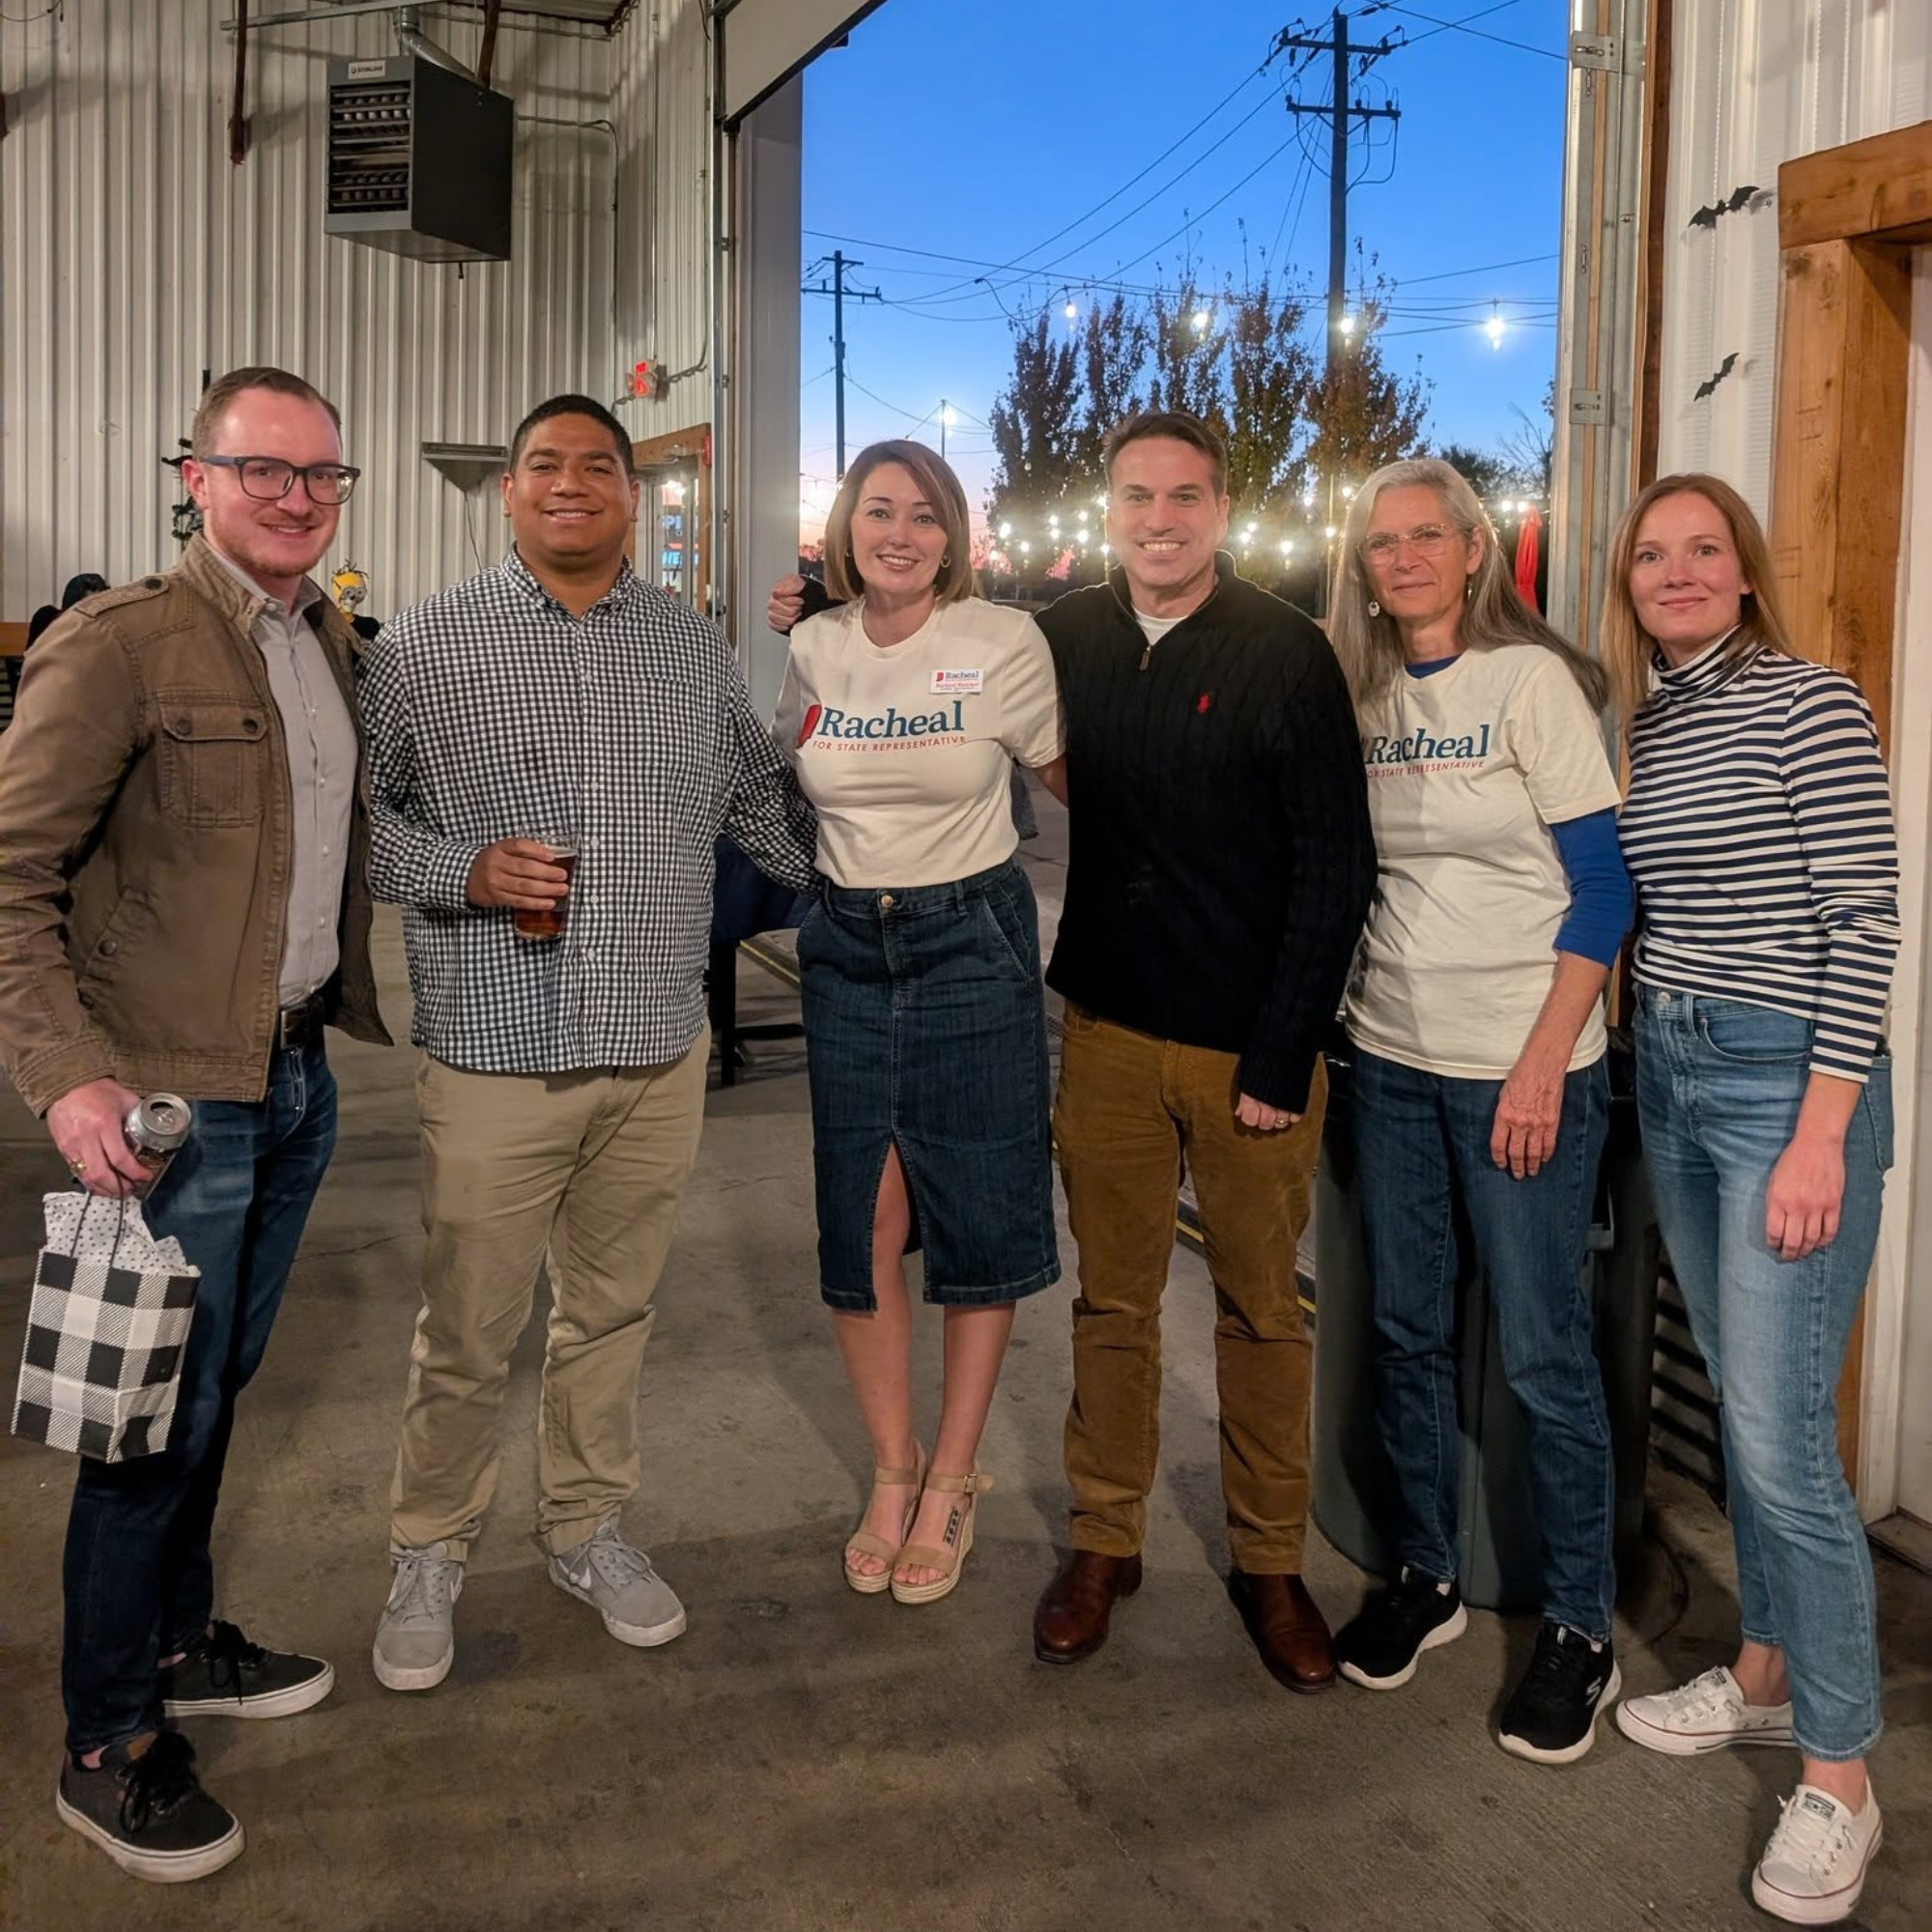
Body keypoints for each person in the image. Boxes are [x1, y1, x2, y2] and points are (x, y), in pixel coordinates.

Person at [772, 409, 1375, 1687]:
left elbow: (1335, 862)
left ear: (1220, 509)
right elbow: (898, 670)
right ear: (1108, 511)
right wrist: (812, 604)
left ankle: (1270, 1563)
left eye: (1184, 496)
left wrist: (1287, 1046)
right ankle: (1106, 1540)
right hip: (1101, 1020)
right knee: (1112, 1301)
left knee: (1262, 1309)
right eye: (1135, 497)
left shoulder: (1284, 651)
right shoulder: (1062, 636)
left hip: (1245, 1036)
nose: (1159, 519)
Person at [357, 394, 817, 1693]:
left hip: (655, 1046)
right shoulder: (427, 645)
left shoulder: (687, 645)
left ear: (631, 494)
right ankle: (430, 1548)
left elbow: (759, 808)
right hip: (494, 1051)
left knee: (611, 1314)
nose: (572, 483)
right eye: (545, 465)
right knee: (469, 1329)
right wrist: (463, 868)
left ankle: (585, 1526)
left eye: (598, 466)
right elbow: (362, 826)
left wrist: (886, 850)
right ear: (509, 491)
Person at [0, 366, 388, 1882]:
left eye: (320, 475)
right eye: (263, 470)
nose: (296, 497)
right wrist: (65, 1076)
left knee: (213, 1393)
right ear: (197, 480)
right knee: (145, 1423)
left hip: (292, 1079)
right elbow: (12, 875)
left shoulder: (330, 642)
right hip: (169, 1103)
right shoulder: (122, 645)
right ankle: (106, 1743)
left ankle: (174, 1645)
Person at [1603, 475, 1898, 1924]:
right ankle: (1768, 1675)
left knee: (1782, 1446)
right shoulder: (1651, 719)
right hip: (1672, 1073)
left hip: (1787, 1088)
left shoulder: (1808, 700)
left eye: (1702, 549)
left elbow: (1865, 920)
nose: (1676, 572)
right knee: (1742, 1412)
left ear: (1743, 570)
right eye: (1651, 554)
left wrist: (1820, 1133)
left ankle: (1841, 1774)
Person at [1322, 457, 1633, 1763]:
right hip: (1389, 1056)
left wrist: (1542, 1058)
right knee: (1403, 1330)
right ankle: (1426, 1574)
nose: (1401, 558)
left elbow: (1603, 890)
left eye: (1424, 536)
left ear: (1470, 549)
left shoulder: (1529, 682)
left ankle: (1579, 1626)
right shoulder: (1363, 696)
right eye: (1379, 541)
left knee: (1544, 1354)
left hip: (1523, 1063)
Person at [773, 440, 1066, 1605]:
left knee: (976, 1209)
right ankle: (891, 1468)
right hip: (847, 945)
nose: (900, 533)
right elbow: (787, 772)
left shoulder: (1001, 640)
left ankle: (952, 1473)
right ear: (845, 528)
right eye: (879, 512)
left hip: (968, 940)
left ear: (953, 536)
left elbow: (1079, 780)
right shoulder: (812, 645)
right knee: (863, 1219)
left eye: (924, 515)